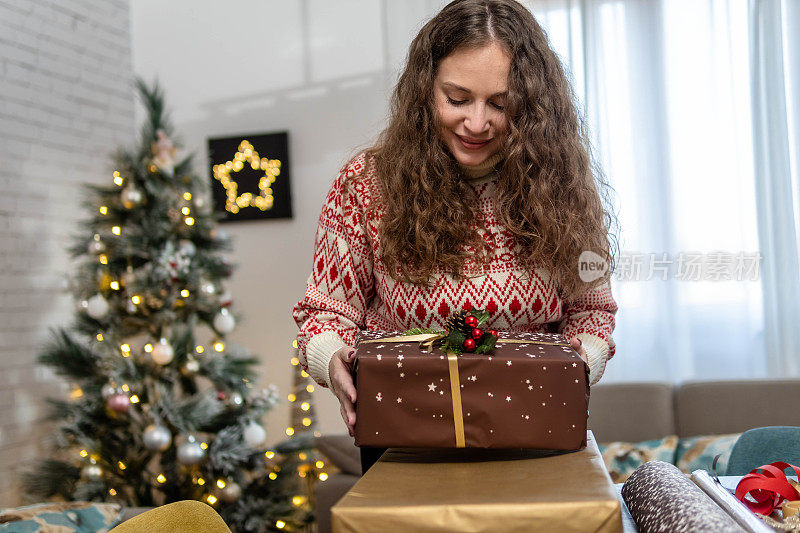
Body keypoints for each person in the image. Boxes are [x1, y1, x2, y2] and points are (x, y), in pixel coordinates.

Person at [292, 0, 617, 474]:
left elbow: (594, 311)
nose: (477, 123)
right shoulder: (363, 186)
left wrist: (575, 370)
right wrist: (332, 360)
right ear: (425, 90)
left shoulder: (566, 188)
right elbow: (323, 313)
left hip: (535, 440)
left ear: (530, 104)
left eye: (501, 104)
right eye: (457, 99)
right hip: (404, 445)